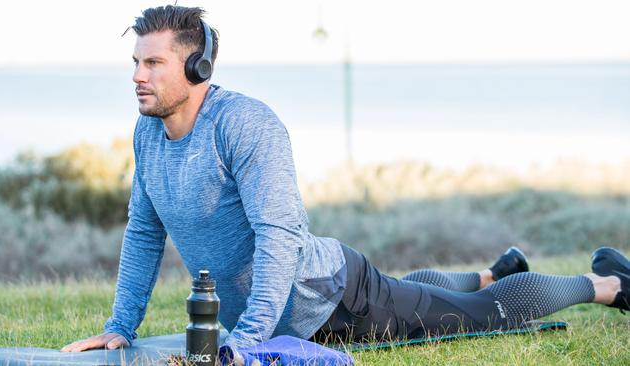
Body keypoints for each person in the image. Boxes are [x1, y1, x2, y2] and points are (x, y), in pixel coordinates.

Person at [60, 4, 629, 361]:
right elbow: (142, 234)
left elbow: (279, 237)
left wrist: (250, 341)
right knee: (425, 292)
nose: (137, 76)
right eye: (135, 62)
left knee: (476, 316)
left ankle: (604, 283)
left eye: (153, 63)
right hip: (295, 306)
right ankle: (491, 272)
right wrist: (120, 328)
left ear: (196, 68)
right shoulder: (148, 134)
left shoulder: (244, 124)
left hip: (334, 300)